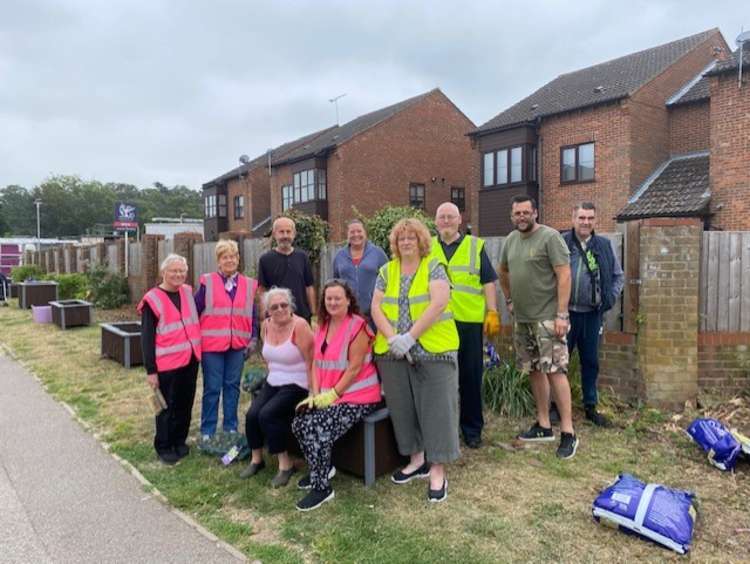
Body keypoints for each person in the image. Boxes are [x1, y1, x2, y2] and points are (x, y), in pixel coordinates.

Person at [371, 218, 460, 503]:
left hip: (433, 348)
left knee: (436, 409)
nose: (406, 242)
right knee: (402, 406)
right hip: (394, 351)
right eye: (401, 238)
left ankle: (437, 468)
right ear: (395, 244)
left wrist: (410, 336)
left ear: (421, 240)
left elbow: (439, 302)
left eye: (411, 237)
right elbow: (375, 307)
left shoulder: (433, 265)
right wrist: (394, 338)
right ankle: (416, 459)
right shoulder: (386, 270)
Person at [499, 195, 578, 460]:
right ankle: (544, 425)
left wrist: (562, 314)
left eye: (525, 212)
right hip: (523, 319)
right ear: (512, 216)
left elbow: (564, 274)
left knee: (555, 371)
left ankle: (568, 432)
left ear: (535, 213)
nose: (521, 217)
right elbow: (503, 271)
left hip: (548, 318)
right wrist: (509, 299)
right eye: (517, 213)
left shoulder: (550, 237)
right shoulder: (510, 240)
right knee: (534, 370)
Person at [292, 279, 381, 511]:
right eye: (328, 298)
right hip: (327, 394)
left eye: (337, 298)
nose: (332, 302)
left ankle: (322, 488)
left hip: (358, 396)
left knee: (318, 426)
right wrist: (314, 393)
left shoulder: (358, 326)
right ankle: (322, 469)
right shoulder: (322, 324)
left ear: (348, 300)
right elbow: (316, 362)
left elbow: (354, 368)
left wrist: (332, 395)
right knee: (299, 423)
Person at [430, 202, 500, 449]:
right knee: (439, 379)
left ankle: (472, 430)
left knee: (470, 378)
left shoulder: (475, 246)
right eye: (442, 217)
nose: (446, 221)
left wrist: (492, 312)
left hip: (469, 322)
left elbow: (488, 281)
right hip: (436, 324)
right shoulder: (426, 247)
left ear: (460, 220)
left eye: (451, 217)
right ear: (436, 221)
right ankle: (442, 429)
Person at [241, 288, 314, 487]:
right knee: (252, 415)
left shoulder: (300, 325)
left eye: (284, 305)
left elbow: (312, 361)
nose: (280, 309)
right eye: (274, 307)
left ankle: (285, 464)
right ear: (267, 311)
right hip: (274, 381)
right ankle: (256, 459)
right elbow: (269, 358)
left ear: (291, 306)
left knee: (268, 414)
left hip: (297, 383)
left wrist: (313, 392)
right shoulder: (266, 325)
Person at [562, 202, 624, 427]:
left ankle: (590, 406)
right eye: (581, 218)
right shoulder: (562, 242)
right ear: (573, 218)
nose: (585, 222)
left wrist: (609, 299)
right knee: (560, 363)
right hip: (564, 314)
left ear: (595, 221)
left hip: (592, 315)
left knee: (591, 362)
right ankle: (556, 407)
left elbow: (618, 276)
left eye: (590, 218)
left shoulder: (604, 246)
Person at [138, 254, 202, 465]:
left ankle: (179, 441)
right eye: (174, 271)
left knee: (185, 404)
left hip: (190, 359)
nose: (178, 275)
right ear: (164, 272)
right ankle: (164, 446)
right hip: (166, 364)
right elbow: (147, 338)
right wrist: (151, 371)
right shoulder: (152, 299)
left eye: (182, 271)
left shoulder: (186, 291)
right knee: (166, 407)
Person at [195, 239, 258, 443]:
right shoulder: (208, 283)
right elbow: (194, 312)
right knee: (212, 387)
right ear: (218, 261)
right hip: (211, 347)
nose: (229, 260)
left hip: (237, 346)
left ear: (238, 259)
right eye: (224, 257)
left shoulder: (248, 285)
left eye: (232, 256)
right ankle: (208, 430)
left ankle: (230, 427)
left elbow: (253, 314)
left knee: (232, 386)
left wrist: (253, 338)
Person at [258, 217, 316, 324]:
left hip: (302, 316)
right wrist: (263, 316)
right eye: (281, 232)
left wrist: (312, 312)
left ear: (294, 234)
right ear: (275, 234)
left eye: (288, 232)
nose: (285, 236)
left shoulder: (302, 257)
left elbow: (309, 287)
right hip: (276, 317)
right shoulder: (265, 260)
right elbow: (262, 290)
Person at [332, 219, 388, 327]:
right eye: (352, 232)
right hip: (348, 313)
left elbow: (389, 279)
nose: (356, 234)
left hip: (374, 314)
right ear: (347, 235)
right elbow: (336, 283)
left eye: (359, 231)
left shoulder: (378, 253)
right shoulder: (339, 256)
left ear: (365, 233)